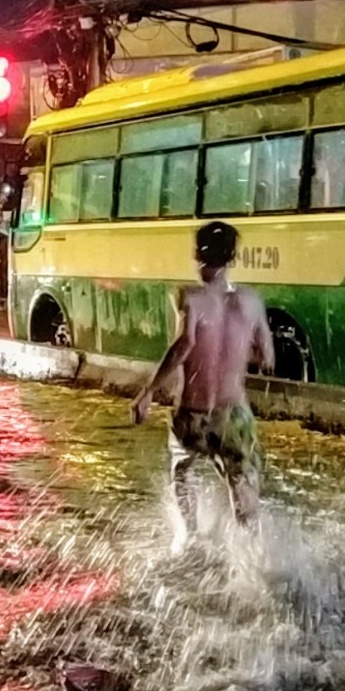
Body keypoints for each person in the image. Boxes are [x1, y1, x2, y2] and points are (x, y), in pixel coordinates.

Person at [132, 221, 274, 537]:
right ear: (233, 257)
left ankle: (191, 538)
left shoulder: (189, 296)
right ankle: (251, 554)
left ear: (197, 254)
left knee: (181, 473)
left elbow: (185, 344)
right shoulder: (252, 301)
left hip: (192, 415)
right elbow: (267, 359)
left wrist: (148, 392)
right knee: (242, 483)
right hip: (234, 415)